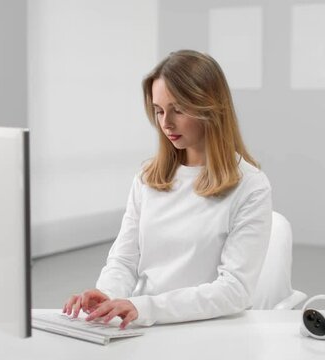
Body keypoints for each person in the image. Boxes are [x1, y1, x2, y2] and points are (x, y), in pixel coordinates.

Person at [63, 49, 272, 329]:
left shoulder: (250, 186)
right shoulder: (148, 177)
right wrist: (108, 295)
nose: (165, 123)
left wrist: (144, 307)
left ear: (210, 108)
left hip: (207, 329)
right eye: (159, 111)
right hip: (142, 324)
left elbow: (234, 291)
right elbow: (124, 260)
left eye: (178, 110)